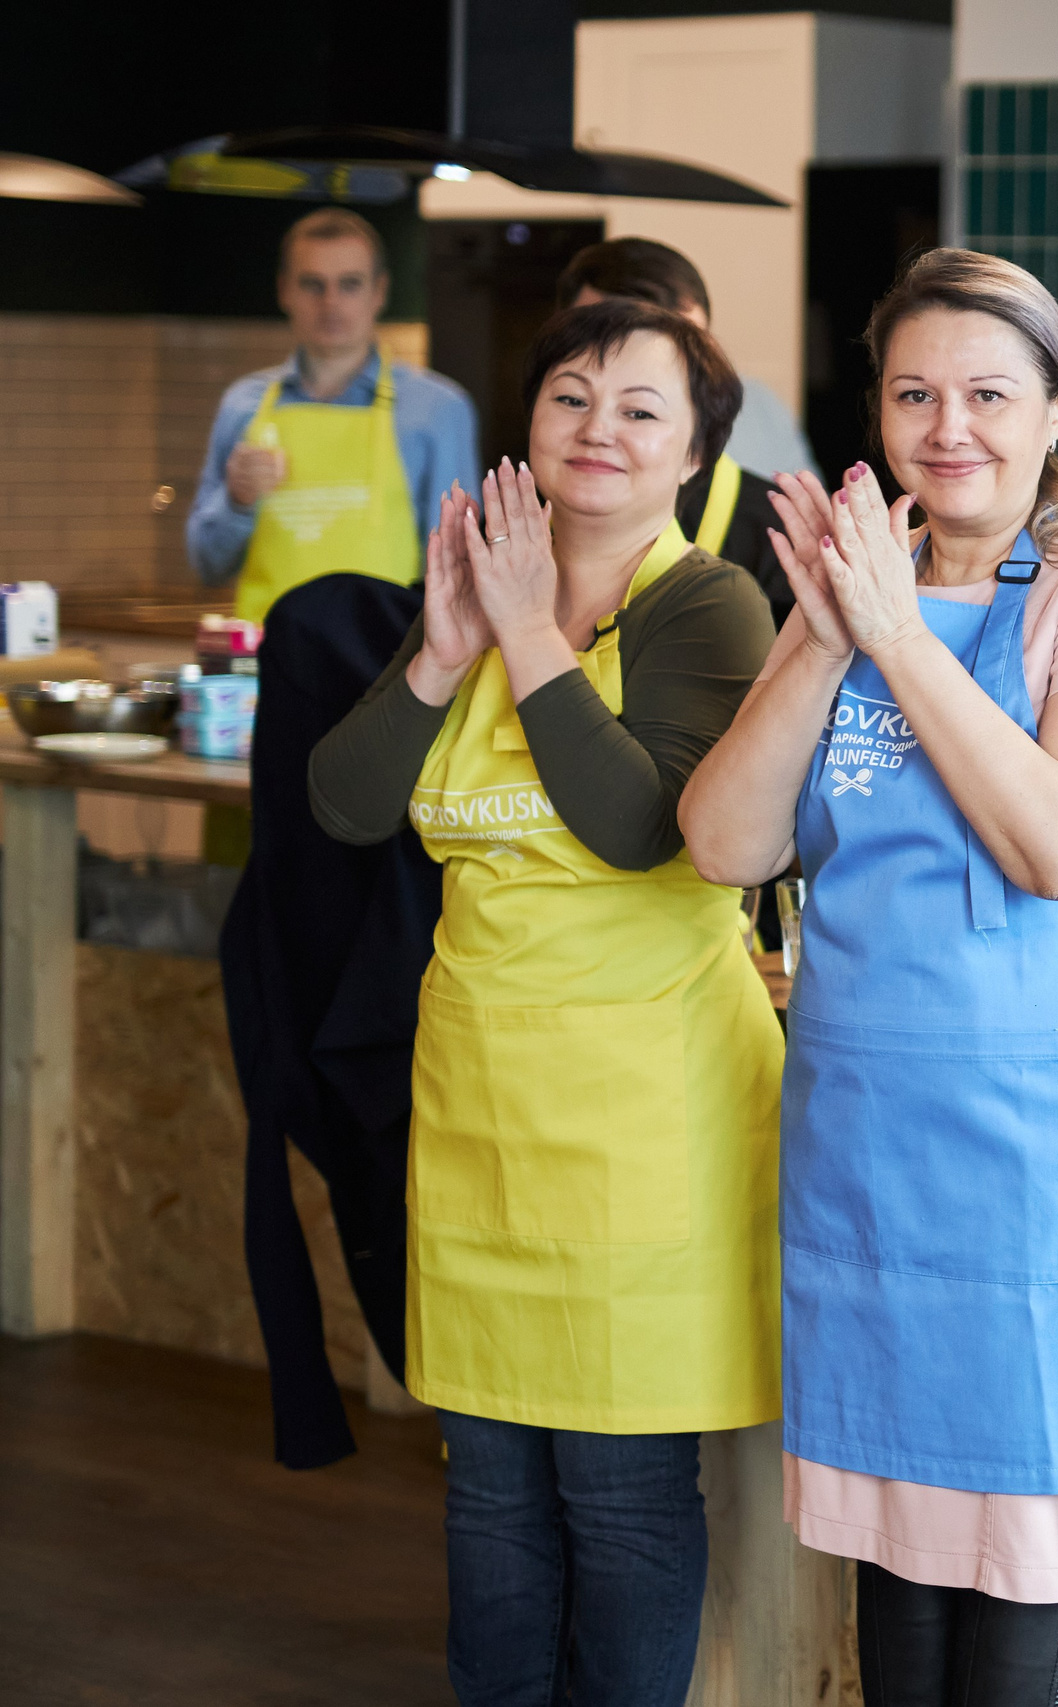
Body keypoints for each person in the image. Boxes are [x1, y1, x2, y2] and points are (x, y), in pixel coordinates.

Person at [678, 249, 1058, 1707]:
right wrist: (827, 630)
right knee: (899, 1592)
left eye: (987, 391)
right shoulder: (858, 585)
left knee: (1029, 1593)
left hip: (1052, 1160)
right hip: (873, 1143)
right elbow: (726, 840)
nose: (948, 425)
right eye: (914, 392)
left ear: (1057, 406)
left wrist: (901, 637)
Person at [309, 299, 782, 1704]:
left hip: (648, 1126)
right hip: (480, 1114)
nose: (599, 429)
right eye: (572, 397)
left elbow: (643, 825)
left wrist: (527, 631)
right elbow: (343, 802)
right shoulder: (471, 579)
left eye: (642, 408)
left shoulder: (707, 602)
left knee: (621, 1495)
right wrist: (449, 642)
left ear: (695, 454)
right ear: (530, 423)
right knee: (490, 1497)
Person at [187, 207, 477, 622]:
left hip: (387, 666)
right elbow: (207, 566)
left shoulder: (438, 410)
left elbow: (456, 569)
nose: (330, 303)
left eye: (350, 284)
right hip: (266, 668)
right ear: (284, 290)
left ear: (379, 291)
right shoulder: (242, 405)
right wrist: (236, 501)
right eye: (312, 285)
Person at [557, 236, 805, 625]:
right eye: (598, 340)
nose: (599, 430)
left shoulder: (777, 534)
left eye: (678, 347)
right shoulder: (513, 522)